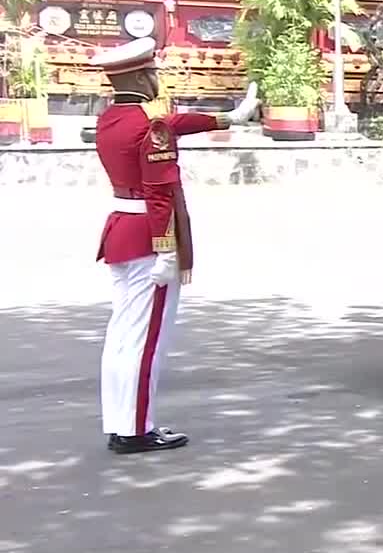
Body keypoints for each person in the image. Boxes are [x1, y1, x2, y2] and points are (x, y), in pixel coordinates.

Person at [92, 37, 260, 454]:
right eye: (153, 73)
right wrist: (167, 251)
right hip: (149, 241)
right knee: (145, 341)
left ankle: (120, 423)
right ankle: (137, 431)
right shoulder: (151, 126)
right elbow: (160, 192)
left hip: (119, 234)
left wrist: (230, 119)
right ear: (140, 75)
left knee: (122, 336)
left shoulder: (111, 119)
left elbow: (174, 123)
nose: (157, 79)